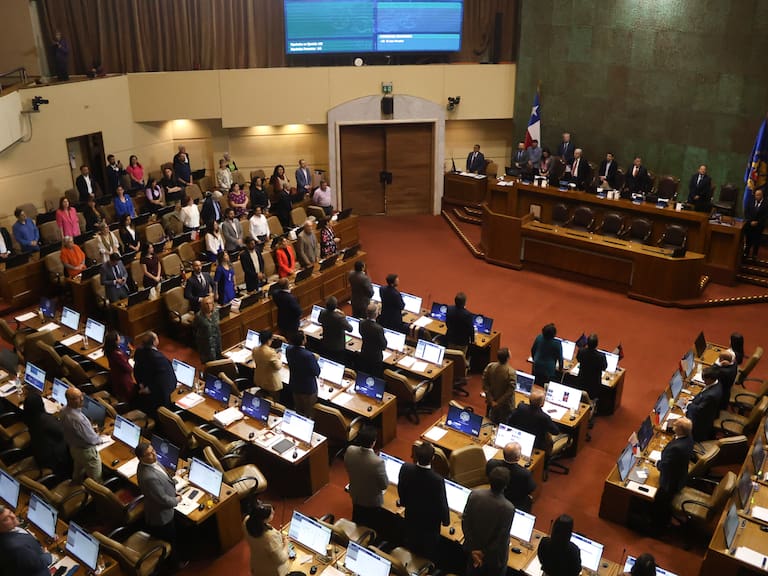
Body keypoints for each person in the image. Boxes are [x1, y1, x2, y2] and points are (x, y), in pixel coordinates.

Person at [135, 442, 188, 571]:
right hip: (161, 516)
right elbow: (162, 500)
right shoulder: (149, 477)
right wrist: (177, 499)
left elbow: (165, 479)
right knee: (170, 541)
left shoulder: (150, 463)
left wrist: (173, 488)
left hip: (165, 501)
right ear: (141, 458)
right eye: (149, 454)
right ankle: (176, 565)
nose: (154, 454)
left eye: (153, 451)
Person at [398, 441, 449, 560]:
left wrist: (404, 502)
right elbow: (441, 503)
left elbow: (401, 488)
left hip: (411, 517)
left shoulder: (406, 468)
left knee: (411, 547)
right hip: (429, 526)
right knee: (427, 554)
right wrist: (446, 521)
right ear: (432, 458)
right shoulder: (437, 480)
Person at [462, 467, 516, 576]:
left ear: (489, 480)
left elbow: (465, 522)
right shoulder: (508, 508)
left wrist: (474, 550)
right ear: (506, 485)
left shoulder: (474, 495)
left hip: (473, 552)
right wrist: (483, 553)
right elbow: (501, 537)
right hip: (494, 559)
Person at [344, 425, 388, 529]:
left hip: (355, 494)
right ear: (374, 442)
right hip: (372, 503)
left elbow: (347, 466)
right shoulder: (377, 462)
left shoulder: (350, 450)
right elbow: (384, 485)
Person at [654, 417, 694, 531]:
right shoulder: (688, 438)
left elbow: (665, 466)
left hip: (670, 482)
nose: (673, 426)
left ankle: (659, 524)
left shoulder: (676, 448)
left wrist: (657, 463)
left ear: (679, 430)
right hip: (680, 475)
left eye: (675, 425)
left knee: (659, 500)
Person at [60, 387, 105, 482]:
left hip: (74, 449)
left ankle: (76, 487)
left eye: (82, 396)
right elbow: (92, 440)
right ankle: (95, 495)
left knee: (78, 471)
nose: (82, 399)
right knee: (96, 480)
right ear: (70, 400)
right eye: (77, 397)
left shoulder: (64, 410)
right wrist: (102, 439)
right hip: (87, 452)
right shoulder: (78, 420)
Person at [22, 393, 72, 477]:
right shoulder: (46, 420)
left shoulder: (28, 416)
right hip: (52, 458)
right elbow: (64, 432)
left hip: (39, 452)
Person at [0, 504, 53, 576]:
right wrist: (47, 555)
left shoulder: (9, 530)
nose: (12, 516)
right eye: (6, 519)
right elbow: (37, 564)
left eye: (10, 512)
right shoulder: (17, 548)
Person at [133, 331, 176, 416]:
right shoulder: (159, 359)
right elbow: (165, 380)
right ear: (154, 342)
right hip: (157, 397)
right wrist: (149, 389)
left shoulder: (139, 352)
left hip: (144, 391)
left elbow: (137, 370)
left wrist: (141, 384)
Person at [243, 501, 290, 576]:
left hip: (257, 564)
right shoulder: (270, 537)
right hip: (271, 571)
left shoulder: (247, 521)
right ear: (263, 519)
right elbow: (281, 559)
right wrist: (286, 544)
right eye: (271, 513)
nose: (274, 512)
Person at [486, 442, 535, 512]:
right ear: (518, 458)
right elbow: (531, 488)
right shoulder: (525, 473)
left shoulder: (491, 463)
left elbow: (488, 476)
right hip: (515, 501)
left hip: (495, 494)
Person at [286, 331, 319, 418]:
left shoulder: (288, 349)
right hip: (308, 388)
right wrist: (315, 360)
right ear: (303, 341)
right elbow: (316, 372)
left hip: (295, 385)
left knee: (299, 410)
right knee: (309, 412)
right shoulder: (308, 356)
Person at [685, 366, 723, 441]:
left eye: (704, 379)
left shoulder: (711, 395)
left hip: (701, 421)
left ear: (710, 379)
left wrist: (688, 404)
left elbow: (699, 410)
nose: (703, 381)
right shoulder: (717, 383)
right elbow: (703, 394)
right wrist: (694, 399)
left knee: (681, 423)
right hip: (708, 411)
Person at [482, 347, 516, 424]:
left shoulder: (490, 366)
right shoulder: (511, 372)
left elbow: (485, 384)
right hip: (505, 405)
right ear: (508, 357)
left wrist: (491, 400)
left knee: (490, 421)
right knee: (503, 424)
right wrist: (498, 402)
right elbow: (510, 390)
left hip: (491, 401)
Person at [104, 330, 137, 404]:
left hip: (115, 377)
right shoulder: (117, 355)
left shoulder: (109, 350)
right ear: (115, 341)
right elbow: (129, 369)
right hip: (123, 381)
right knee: (128, 399)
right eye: (118, 337)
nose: (120, 338)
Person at [319, 296, 352, 363]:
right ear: (336, 306)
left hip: (326, 343)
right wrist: (343, 316)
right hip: (337, 347)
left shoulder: (322, 312)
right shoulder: (339, 318)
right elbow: (350, 329)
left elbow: (319, 320)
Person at [252, 330, 283, 402]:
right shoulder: (271, 352)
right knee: (274, 402)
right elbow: (278, 367)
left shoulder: (255, 349)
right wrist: (279, 358)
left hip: (259, 379)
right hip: (271, 383)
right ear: (268, 340)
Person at [576, 333, 607, 401]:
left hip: (581, 381)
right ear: (596, 344)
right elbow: (604, 367)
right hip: (594, 384)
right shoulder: (601, 356)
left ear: (587, 343)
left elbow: (578, 359)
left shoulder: (581, 351)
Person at [359, 303, 387, 377]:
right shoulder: (378, 329)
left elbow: (361, 333)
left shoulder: (361, 323)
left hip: (364, 353)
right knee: (375, 377)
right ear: (376, 314)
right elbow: (383, 345)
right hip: (375, 357)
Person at [195, 295, 222, 363]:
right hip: (205, 343)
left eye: (210, 303)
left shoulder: (216, 312)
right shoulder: (199, 316)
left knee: (219, 359)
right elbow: (195, 327)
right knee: (209, 362)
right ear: (203, 305)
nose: (209, 306)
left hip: (216, 340)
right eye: (206, 304)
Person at [743, 188, 767, 259]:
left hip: (759, 225)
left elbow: (765, 215)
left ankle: (754, 254)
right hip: (750, 224)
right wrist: (750, 221)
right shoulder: (750, 201)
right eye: (756, 195)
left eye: (758, 195)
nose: (757, 197)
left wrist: (758, 222)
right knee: (748, 239)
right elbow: (746, 212)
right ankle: (746, 252)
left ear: (762, 195)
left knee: (757, 240)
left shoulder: (766, 203)